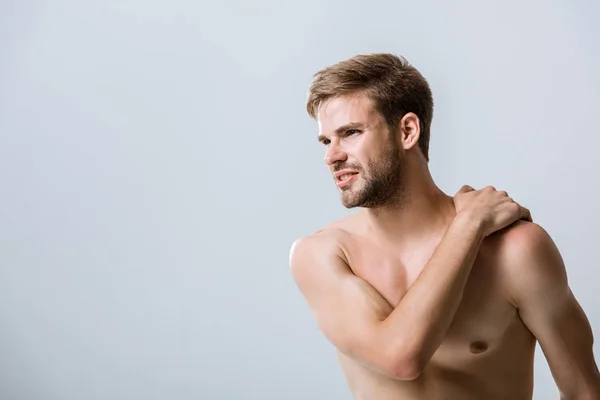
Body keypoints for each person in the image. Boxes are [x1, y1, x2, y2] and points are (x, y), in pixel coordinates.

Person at [289, 53, 600, 399]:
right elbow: (400, 358)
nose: (331, 156)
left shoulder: (516, 252)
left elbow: (584, 390)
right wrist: (469, 225)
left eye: (350, 133)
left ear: (407, 131)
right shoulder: (321, 256)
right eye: (326, 141)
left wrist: (471, 225)